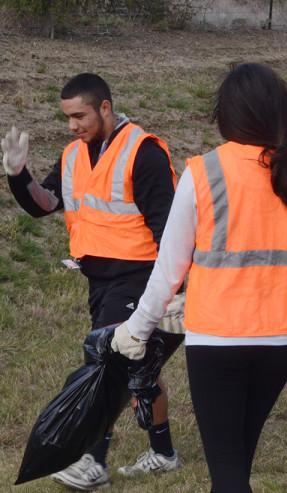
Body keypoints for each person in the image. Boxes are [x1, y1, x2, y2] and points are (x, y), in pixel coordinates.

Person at [108, 63, 287, 492]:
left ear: (228, 115)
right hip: (281, 343)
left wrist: (136, 330)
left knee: (228, 474)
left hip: (217, 342)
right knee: (234, 466)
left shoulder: (203, 173)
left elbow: (169, 267)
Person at [1, 73, 180, 490]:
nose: (72, 125)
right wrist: (17, 175)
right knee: (140, 369)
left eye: (79, 115)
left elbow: (169, 230)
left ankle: (91, 461)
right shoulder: (73, 155)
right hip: (100, 280)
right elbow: (46, 205)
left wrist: (172, 291)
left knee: (106, 366)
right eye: (67, 118)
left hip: (140, 278)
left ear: (104, 107)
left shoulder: (144, 152)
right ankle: (163, 453)